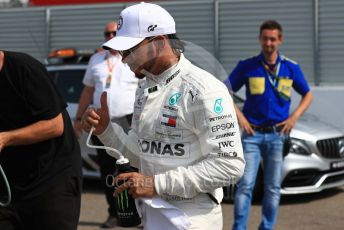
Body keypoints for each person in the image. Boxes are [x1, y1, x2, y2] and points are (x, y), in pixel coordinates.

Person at [81, 2, 245, 229]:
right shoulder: (144, 87)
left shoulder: (203, 89)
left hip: (192, 218)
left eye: (129, 50)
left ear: (158, 43)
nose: (123, 58)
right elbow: (140, 155)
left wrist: (156, 184)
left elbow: (229, 166)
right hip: (153, 212)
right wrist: (107, 130)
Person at [223, 20, 313, 230]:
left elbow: (308, 94)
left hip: (277, 136)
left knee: (273, 188)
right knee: (245, 186)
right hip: (251, 135)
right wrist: (240, 118)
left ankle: (267, 227)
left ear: (279, 40)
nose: (269, 43)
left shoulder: (291, 68)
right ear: (260, 39)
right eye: (265, 38)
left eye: (273, 39)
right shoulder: (247, 66)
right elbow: (224, 90)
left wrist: (293, 118)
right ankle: (239, 228)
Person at [0, 50, 82, 230]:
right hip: (9, 185)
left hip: (51, 181)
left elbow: (55, 126)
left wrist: (5, 138)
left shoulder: (24, 68)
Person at [73, 21, 138, 228]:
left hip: (129, 121)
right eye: (106, 33)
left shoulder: (131, 58)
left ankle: (138, 212)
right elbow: (87, 91)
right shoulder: (96, 59)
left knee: (134, 166)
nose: (110, 36)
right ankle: (114, 213)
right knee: (108, 171)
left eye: (114, 33)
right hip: (102, 122)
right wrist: (78, 118)